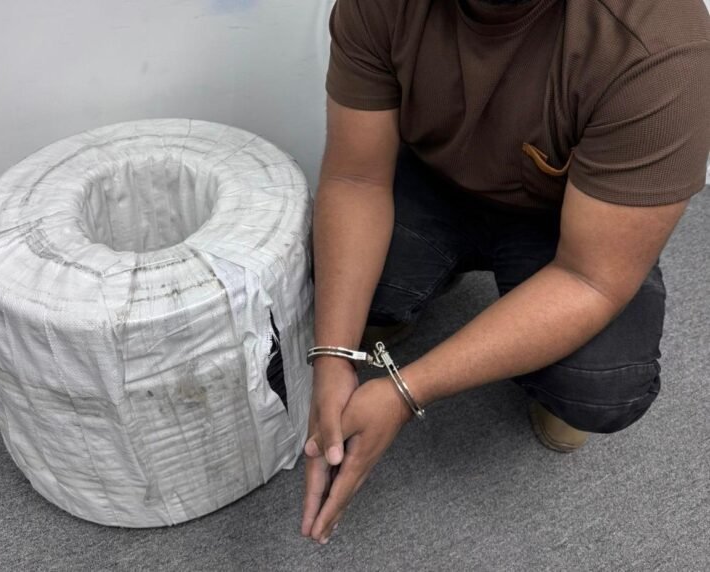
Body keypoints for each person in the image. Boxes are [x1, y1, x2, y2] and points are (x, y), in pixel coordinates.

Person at [300, 0, 710, 544]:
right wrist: (332, 356)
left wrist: (404, 391)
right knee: (327, 276)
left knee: (597, 385)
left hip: (568, 216)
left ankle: (546, 378)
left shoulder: (658, 45)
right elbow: (356, 179)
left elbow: (591, 278)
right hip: (434, 175)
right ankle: (404, 299)